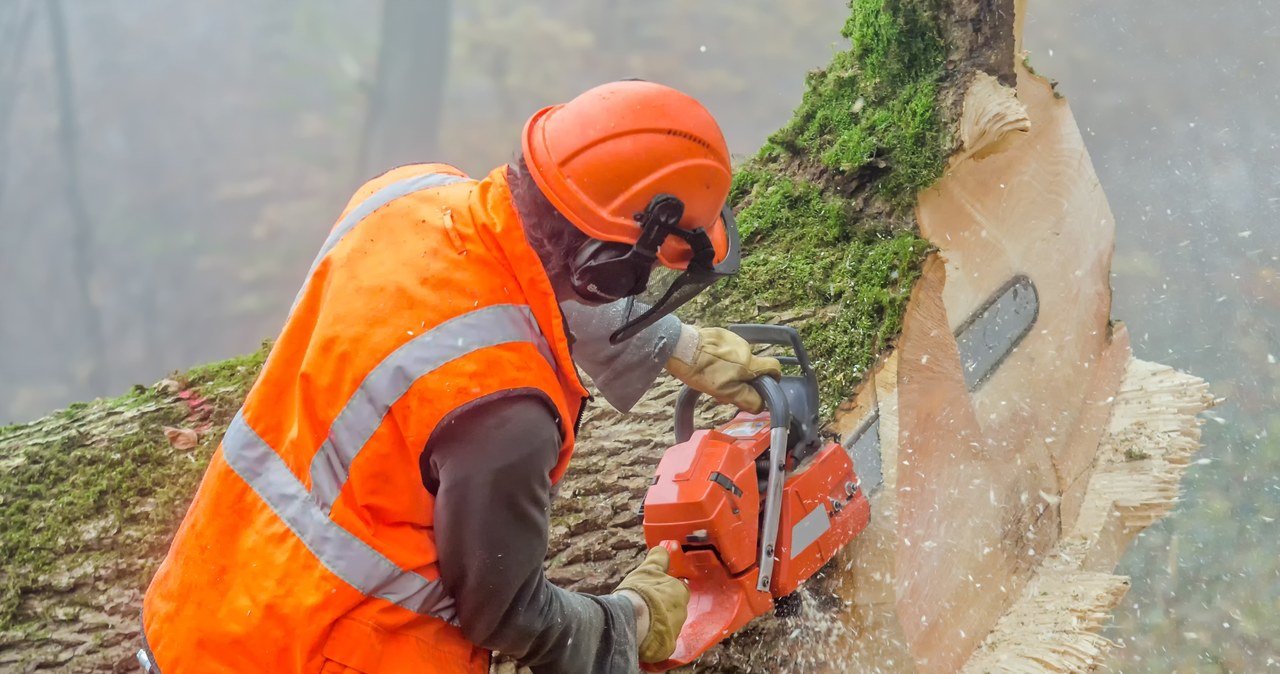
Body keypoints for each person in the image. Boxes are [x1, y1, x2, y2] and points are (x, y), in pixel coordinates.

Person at [137, 80, 781, 674]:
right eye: (645, 271)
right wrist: (630, 619)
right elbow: (507, 613)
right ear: (607, 268)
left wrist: (676, 344)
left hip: (203, 618)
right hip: (316, 653)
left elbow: (509, 274)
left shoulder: (405, 197)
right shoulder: (506, 409)